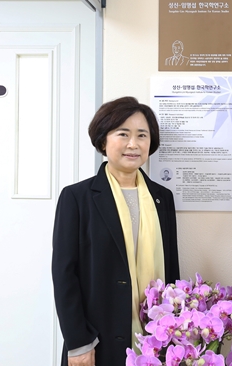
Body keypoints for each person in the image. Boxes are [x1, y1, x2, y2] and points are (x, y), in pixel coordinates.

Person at [52, 96, 180, 366]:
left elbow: (172, 269)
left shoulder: (162, 197)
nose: (133, 144)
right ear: (103, 141)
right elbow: (65, 275)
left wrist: (176, 334)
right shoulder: (78, 197)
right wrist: (79, 343)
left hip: (155, 339)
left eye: (141, 135)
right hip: (97, 341)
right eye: (123, 134)